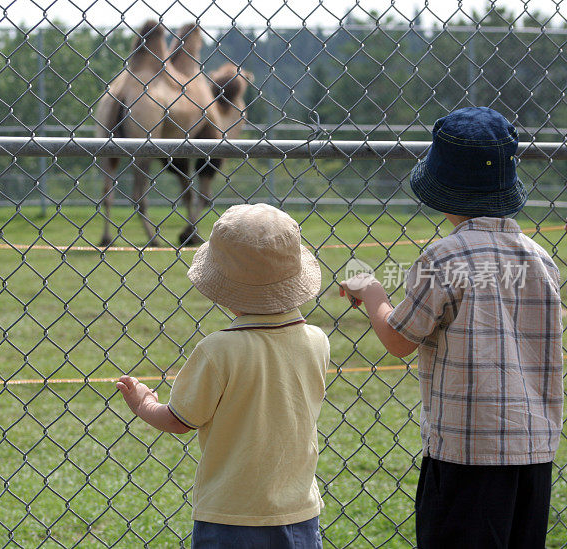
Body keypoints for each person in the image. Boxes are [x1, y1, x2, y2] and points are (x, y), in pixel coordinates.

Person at [339, 107, 563, 548]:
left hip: (465, 454)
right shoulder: (540, 259)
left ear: (440, 191)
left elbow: (400, 340)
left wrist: (371, 293)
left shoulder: (443, 258)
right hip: (534, 452)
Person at [116, 203, 329, 548]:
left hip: (230, 515)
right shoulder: (318, 341)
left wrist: (143, 403)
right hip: (298, 511)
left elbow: (180, 420)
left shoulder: (218, 350)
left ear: (225, 290)